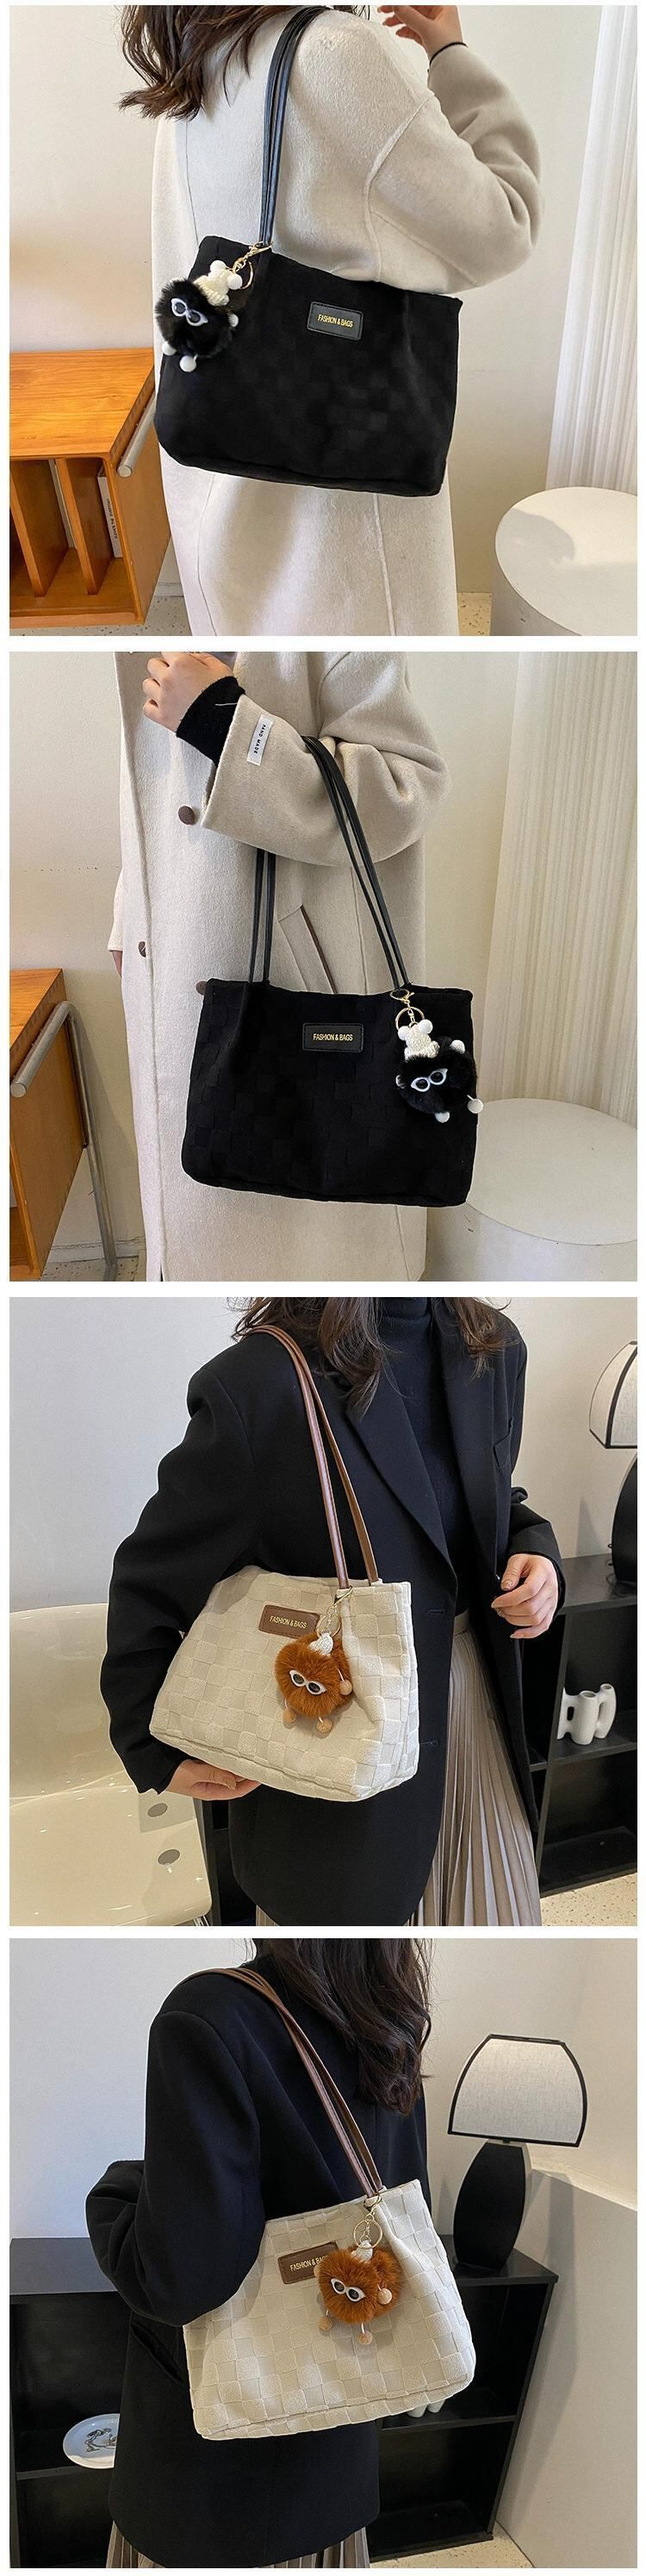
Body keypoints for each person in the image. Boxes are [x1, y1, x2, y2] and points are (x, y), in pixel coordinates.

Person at [101, 1298, 564, 1926]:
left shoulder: (494, 1347)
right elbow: (150, 1579)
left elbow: (481, 1500)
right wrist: (149, 1743)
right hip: (332, 1753)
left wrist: (536, 1551)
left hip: (474, 1721)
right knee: (344, 1964)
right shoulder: (260, 1385)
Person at [120, 3, 542, 637]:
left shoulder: (201, 48)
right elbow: (504, 226)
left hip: (218, 495)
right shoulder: (338, 55)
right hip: (342, 542)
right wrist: (452, 57)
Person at [86, 1937, 432, 2569]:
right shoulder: (390, 2022)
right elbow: (403, 2219)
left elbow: (180, 2280)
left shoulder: (210, 2015)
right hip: (336, 2467)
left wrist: (118, 2193)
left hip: (215, 2494)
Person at [110, 649, 449, 1282]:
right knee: (194, 1212)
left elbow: (406, 788)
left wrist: (224, 724)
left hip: (307, 995)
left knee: (308, 1256)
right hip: (167, 954)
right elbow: (152, 783)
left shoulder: (338, 636)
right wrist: (128, 914)